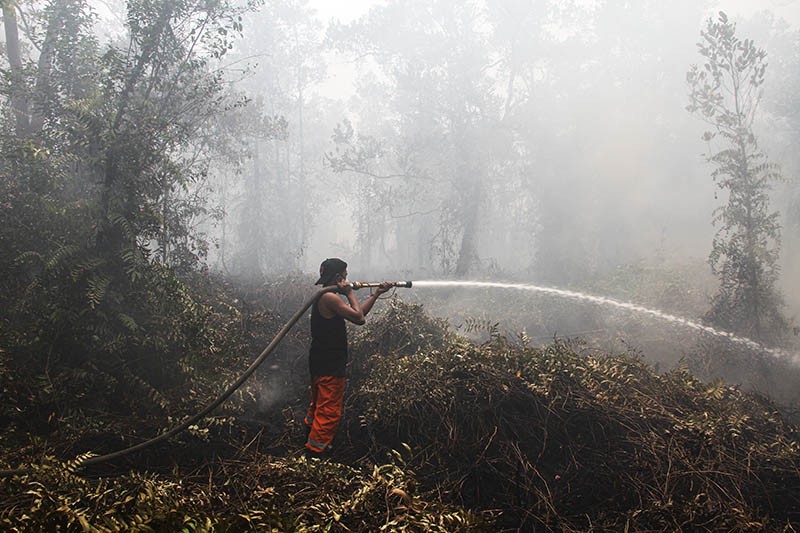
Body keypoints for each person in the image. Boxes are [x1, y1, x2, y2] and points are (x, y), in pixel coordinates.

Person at [304, 258, 391, 458]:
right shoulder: (330, 298)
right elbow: (359, 319)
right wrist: (350, 293)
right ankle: (316, 452)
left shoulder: (326, 295)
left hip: (319, 361)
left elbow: (356, 314)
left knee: (318, 404)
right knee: (329, 411)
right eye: (345, 274)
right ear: (338, 277)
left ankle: (308, 435)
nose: (347, 278)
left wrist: (376, 294)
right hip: (330, 364)